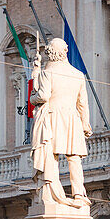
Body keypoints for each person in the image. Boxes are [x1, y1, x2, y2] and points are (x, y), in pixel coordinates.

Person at [30, 38, 93, 207]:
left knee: (51, 156)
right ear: (64, 52)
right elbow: (83, 104)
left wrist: (32, 98)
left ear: (50, 53)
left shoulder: (47, 73)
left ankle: (50, 191)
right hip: (72, 118)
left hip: (53, 117)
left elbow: (43, 96)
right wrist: (85, 123)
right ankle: (79, 194)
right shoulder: (78, 75)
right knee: (74, 158)